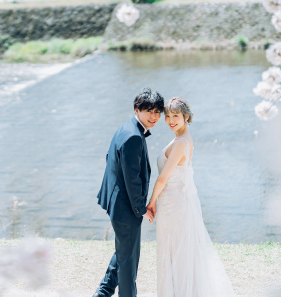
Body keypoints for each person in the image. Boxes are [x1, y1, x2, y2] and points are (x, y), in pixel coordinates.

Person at [147, 97, 236, 297]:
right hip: (173, 203)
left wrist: (151, 203)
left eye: (175, 116)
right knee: (175, 253)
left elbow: (162, 179)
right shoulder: (180, 137)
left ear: (186, 117)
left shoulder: (181, 142)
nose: (170, 120)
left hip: (174, 206)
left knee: (177, 254)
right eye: (168, 116)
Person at [94, 88, 164, 297]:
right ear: (137, 110)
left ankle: (103, 293)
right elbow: (132, 179)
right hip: (126, 209)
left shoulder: (127, 128)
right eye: (149, 111)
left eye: (157, 112)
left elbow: (110, 159)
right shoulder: (133, 136)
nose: (154, 117)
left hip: (118, 203)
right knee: (129, 263)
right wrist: (141, 208)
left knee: (124, 252)